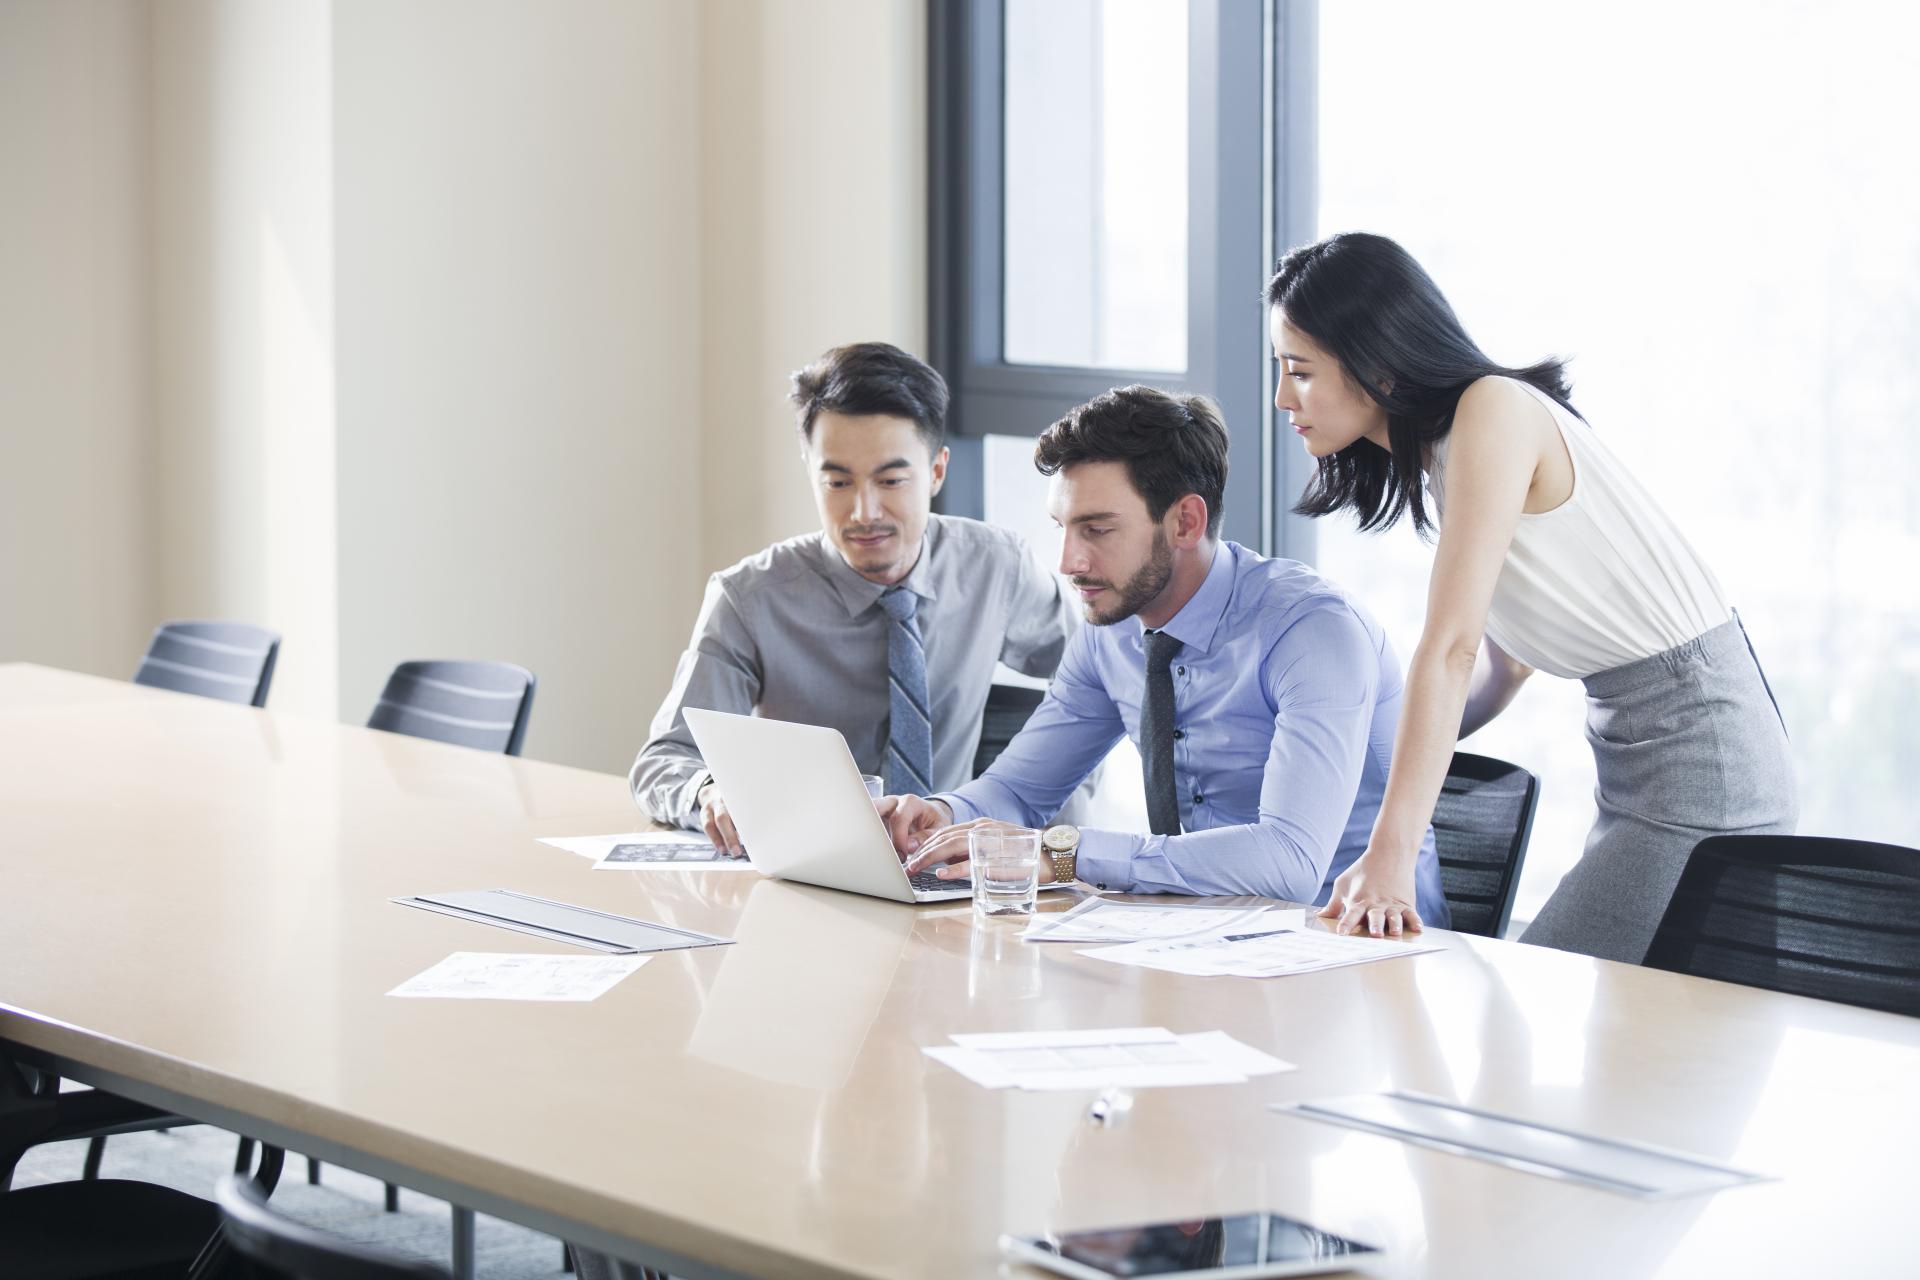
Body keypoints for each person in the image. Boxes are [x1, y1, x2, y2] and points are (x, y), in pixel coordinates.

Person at [1265, 232, 1796, 961]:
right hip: (1649, 756)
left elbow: (1450, 650)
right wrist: (1379, 759)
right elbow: (1504, 666)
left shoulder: (1492, 412)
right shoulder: (1452, 454)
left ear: (1377, 364)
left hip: (1700, 756)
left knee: (1560, 983)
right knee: (1608, 1028)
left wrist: (1392, 853)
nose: (1280, 397)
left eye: (1299, 371)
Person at [881, 385, 1449, 924]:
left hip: (1349, 943)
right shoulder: (1111, 629)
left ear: (1185, 522)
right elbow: (1019, 791)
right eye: (1064, 527)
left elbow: (1290, 863)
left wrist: (1061, 854)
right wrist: (945, 816)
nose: (1069, 562)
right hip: (1197, 935)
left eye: (1097, 530)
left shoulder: (1312, 632)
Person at [631, 341, 1077, 853]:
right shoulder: (750, 598)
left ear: (936, 471)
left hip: (955, 867)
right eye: (838, 482)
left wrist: (1060, 826)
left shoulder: (995, 567)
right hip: (812, 870)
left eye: (890, 480)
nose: (864, 512)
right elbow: (664, 760)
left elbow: (1097, 674)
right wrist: (709, 792)